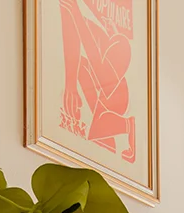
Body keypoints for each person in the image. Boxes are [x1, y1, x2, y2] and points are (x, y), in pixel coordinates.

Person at [58, 0, 136, 163]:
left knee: (99, 128)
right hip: (106, 91)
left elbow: (102, 75)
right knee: (97, 131)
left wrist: (77, 14)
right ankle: (124, 127)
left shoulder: (122, 45)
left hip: (115, 94)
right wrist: (70, 85)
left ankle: (128, 125)